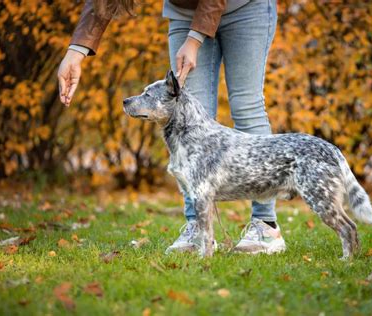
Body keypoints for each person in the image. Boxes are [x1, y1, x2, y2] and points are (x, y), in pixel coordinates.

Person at [58, 0, 286, 254]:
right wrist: (76, 51)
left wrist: (194, 38)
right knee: (188, 116)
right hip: (185, 12)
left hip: (246, 7)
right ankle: (197, 227)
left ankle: (265, 225)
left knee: (247, 107)